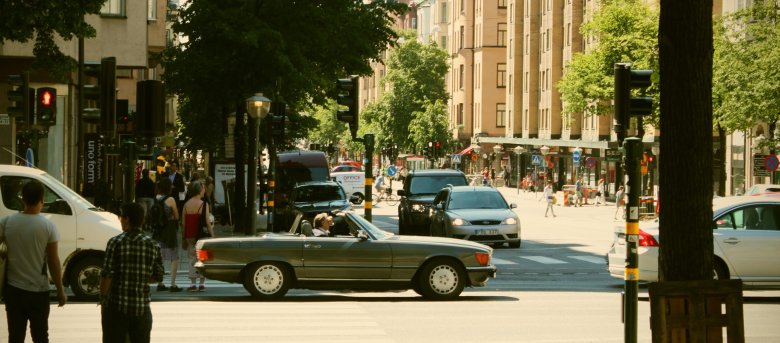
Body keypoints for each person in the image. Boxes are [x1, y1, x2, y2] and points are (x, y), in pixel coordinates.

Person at [1, 181, 67, 343]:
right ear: (42, 200)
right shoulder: (48, 226)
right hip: (39, 291)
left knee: (15, 337)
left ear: (22, 199)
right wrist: (60, 290)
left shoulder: (7, 223)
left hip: (14, 290)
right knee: (40, 336)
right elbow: (53, 261)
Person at [100, 202, 164, 343]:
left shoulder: (115, 243)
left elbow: (107, 275)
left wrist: (103, 300)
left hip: (117, 309)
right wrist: (140, 277)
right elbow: (158, 275)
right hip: (141, 310)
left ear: (127, 219)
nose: (120, 220)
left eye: (121, 217)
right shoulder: (153, 245)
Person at [181, 181, 213, 292]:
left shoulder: (186, 204)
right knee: (203, 257)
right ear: (199, 190)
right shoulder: (204, 204)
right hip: (201, 235)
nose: (204, 190)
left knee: (191, 257)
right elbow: (207, 222)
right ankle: (202, 283)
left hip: (190, 234)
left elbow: (184, 223)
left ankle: (193, 283)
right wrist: (212, 235)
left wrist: (183, 237)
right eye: (203, 188)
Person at [153, 178, 182, 292]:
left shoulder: (156, 198)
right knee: (173, 257)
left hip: (158, 230)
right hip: (169, 229)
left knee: (160, 256)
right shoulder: (170, 199)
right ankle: (173, 284)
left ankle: (160, 283)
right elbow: (176, 216)